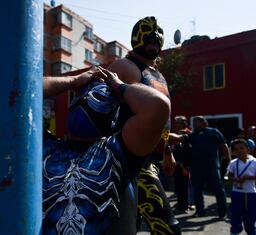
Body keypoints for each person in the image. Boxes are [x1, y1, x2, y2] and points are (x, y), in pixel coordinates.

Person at [42, 67, 170, 235]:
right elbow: (20, 91)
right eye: (81, 94)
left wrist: (119, 85)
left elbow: (157, 105)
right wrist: (73, 81)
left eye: (103, 94)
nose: (87, 97)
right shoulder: (46, 147)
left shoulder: (122, 149)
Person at [108, 16, 180, 234]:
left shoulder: (158, 75)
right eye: (148, 38)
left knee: (131, 227)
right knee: (168, 229)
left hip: (153, 158)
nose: (153, 42)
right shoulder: (124, 65)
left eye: (157, 39)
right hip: (129, 162)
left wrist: (167, 149)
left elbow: (161, 119)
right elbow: (98, 108)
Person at [170, 116, 230, 218]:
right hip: (196, 168)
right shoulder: (193, 135)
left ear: (204, 122)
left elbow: (223, 146)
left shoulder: (214, 132)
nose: (194, 124)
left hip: (212, 167)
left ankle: (222, 212)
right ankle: (200, 211)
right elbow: (179, 138)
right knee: (197, 191)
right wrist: (164, 132)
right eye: (193, 122)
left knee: (218, 190)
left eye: (196, 122)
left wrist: (229, 161)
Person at [227, 139, 256, 235]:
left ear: (248, 149)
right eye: (236, 150)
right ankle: (235, 231)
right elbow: (229, 176)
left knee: (250, 215)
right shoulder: (233, 163)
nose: (240, 151)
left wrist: (249, 177)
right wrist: (235, 179)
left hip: (251, 192)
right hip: (237, 193)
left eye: (242, 148)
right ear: (233, 152)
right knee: (235, 214)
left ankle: (251, 231)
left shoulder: (254, 161)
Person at [172, 115, 192, 212]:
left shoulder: (188, 132)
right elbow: (166, 141)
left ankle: (185, 206)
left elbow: (187, 151)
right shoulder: (175, 133)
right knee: (178, 185)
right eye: (175, 122)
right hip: (176, 163)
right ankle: (180, 203)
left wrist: (185, 165)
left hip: (184, 164)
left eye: (178, 122)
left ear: (184, 122)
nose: (176, 124)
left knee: (184, 186)